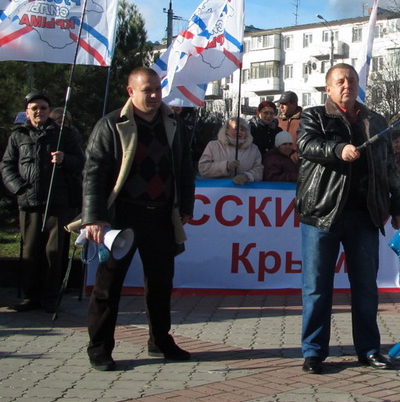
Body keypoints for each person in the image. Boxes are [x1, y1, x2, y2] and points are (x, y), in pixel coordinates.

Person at [79, 67, 195, 371]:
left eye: (158, 89)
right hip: (121, 217)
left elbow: (184, 167)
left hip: (161, 217)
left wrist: (186, 206)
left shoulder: (173, 123)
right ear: (131, 92)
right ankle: (100, 347)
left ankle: (160, 340)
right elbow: (94, 173)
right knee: (108, 287)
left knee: (160, 283)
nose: (155, 95)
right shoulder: (111, 125)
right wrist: (95, 218)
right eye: (148, 90)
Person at [296, 63, 400, 375]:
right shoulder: (313, 115)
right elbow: (306, 145)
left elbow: (389, 167)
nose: (347, 85)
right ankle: (314, 352)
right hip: (322, 214)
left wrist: (396, 205)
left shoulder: (375, 121)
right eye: (340, 81)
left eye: (352, 80)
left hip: (365, 216)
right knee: (317, 286)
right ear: (328, 88)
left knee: (366, 287)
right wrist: (338, 149)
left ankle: (369, 349)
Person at [2, 92, 84, 313]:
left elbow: (81, 162)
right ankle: (31, 296)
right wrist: (18, 187)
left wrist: (65, 159)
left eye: (44, 108)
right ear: (27, 112)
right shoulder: (18, 135)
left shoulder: (63, 135)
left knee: (54, 252)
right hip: (29, 202)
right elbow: (7, 165)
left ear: (49, 111)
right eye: (34, 108)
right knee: (30, 251)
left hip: (58, 202)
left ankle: (50, 296)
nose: (39, 111)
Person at [198, 117, 263, 184]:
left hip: (245, 191)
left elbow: (259, 170)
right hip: (217, 190)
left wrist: (246, 176)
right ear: (227, 130)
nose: (239, 132)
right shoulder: (213, 145)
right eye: (236, 129)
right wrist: (226, 166)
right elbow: (203, 168)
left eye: (243, 130)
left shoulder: (254, 149)